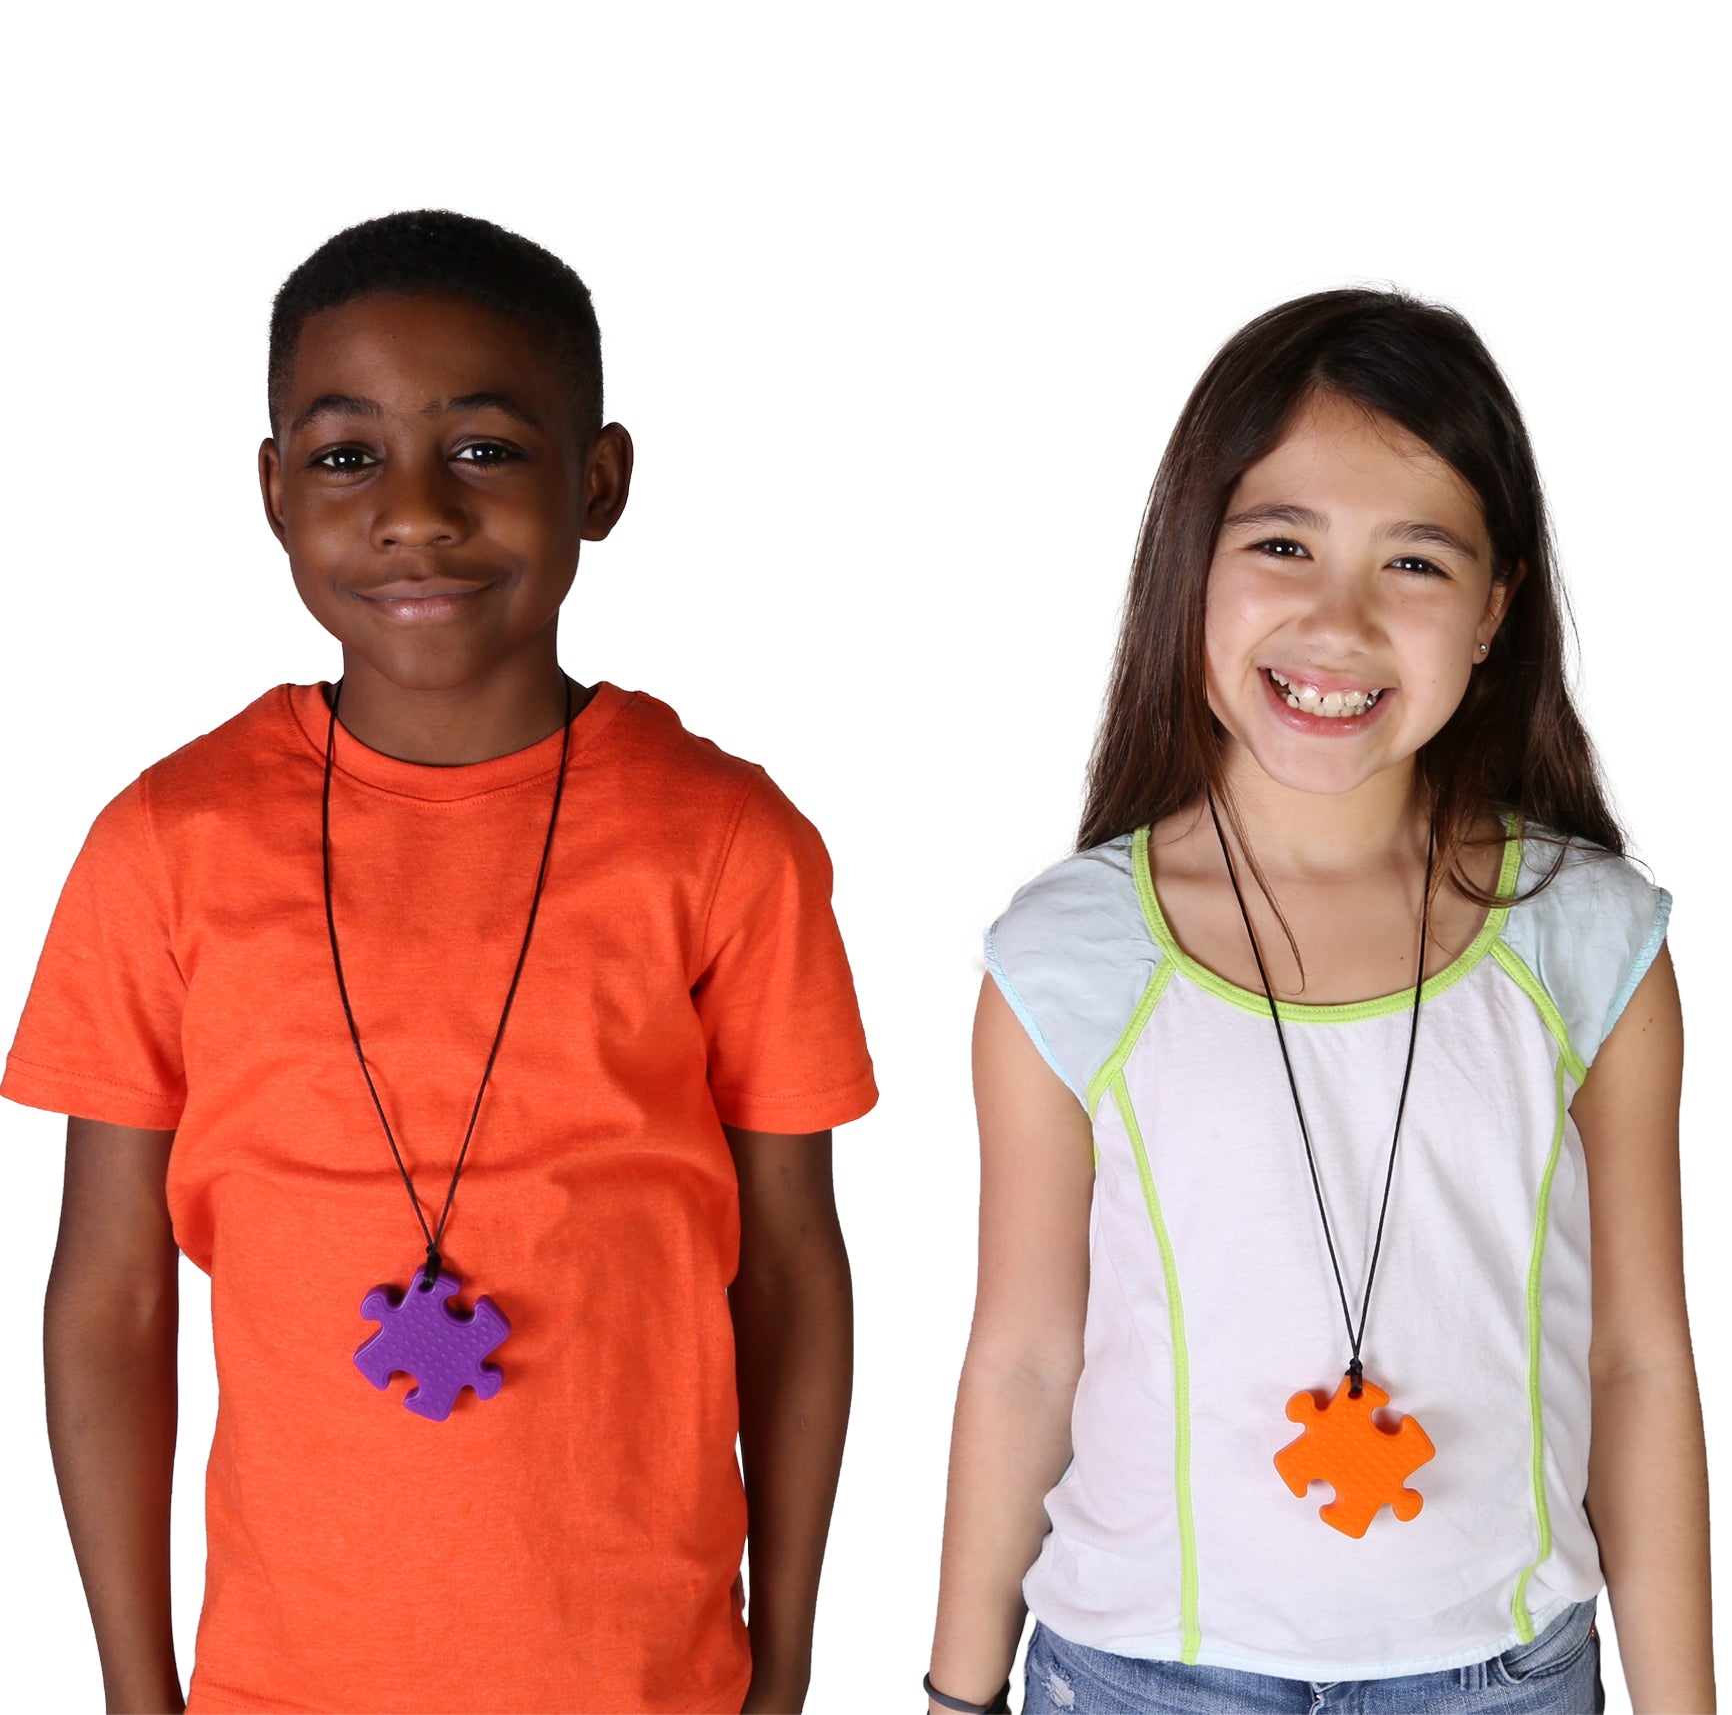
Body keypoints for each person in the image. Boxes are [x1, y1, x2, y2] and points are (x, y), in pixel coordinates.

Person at [6, 210, 876, 1715]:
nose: (414, 512)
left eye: (483, 450)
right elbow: (112, 1296)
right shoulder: (166, 844)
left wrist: (785, 1653)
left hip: (649, 1680)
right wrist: (136, 1696)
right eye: (346, 458)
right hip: (283, 1686)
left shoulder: (728, 840)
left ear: (598, 481)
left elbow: (793, 1275)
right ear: (273, 492)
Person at [925, 291, 1713, 1713]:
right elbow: (1026, 1360)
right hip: (1139, 1674)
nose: (1336, 620)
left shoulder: (1590, 945)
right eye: (1282, 544)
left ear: (1494, 611)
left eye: (1413, 561)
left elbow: (1641, 1359)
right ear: (1192, 568)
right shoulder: (1068, 959)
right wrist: (955, 1695)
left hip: (1502, 1677)